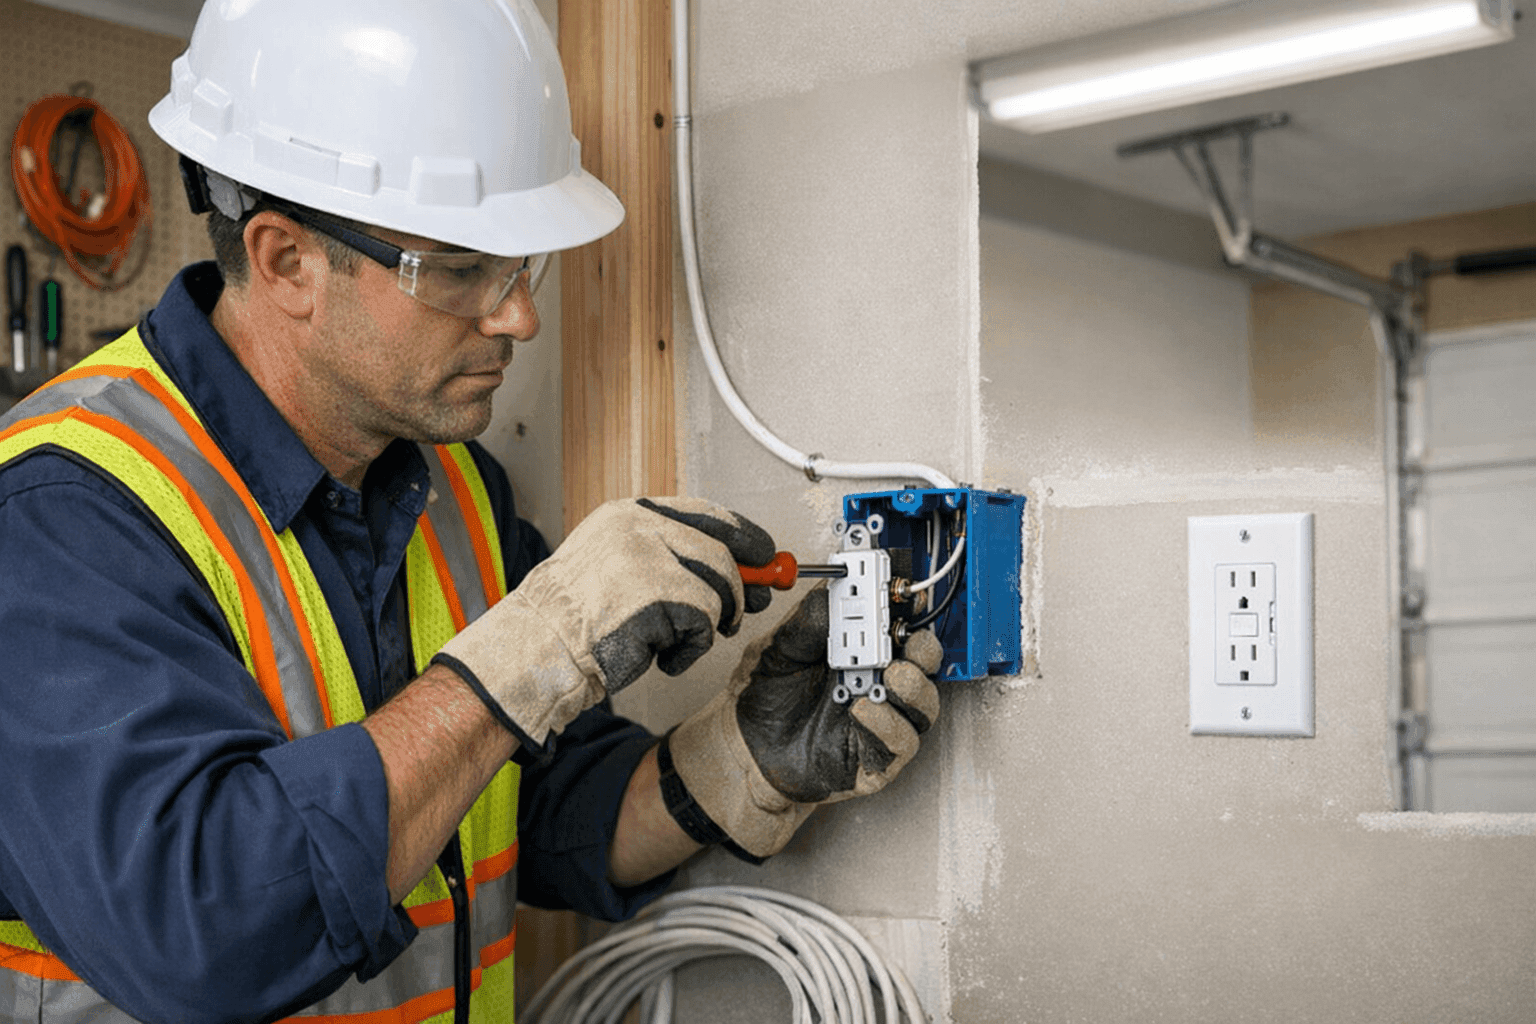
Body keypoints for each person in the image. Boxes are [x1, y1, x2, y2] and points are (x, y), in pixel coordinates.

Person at [0, 2, 944, 1022]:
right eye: (460, 269)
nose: (519, 314)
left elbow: (525, 812)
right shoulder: (61, 516)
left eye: (521, 265)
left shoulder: (459, 494)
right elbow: (200, 927)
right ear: (285, 262)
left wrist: (729, 767)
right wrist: (534, 648)